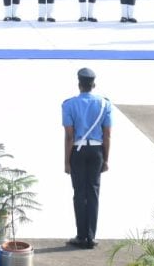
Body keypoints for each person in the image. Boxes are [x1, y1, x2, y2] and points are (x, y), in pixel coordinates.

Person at [62, 67, 112, 250]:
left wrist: (66, 161)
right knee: (93, 193)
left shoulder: (69, 105)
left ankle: (80, 235)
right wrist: (106, 159)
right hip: (97, 150)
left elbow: (69, 135)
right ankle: (91, 236)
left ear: (79, 84)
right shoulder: (105, 105)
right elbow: (107, 134)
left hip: (78, 150)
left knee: (79, 193)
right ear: (94, 85)